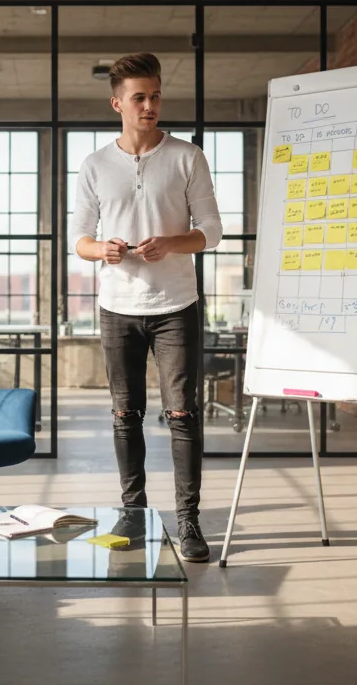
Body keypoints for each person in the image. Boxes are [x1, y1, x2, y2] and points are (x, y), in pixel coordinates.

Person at [71, 52, 223, 563]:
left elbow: (213, 232)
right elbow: (80, 240)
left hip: (177, 305)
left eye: (156, 96)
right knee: (124, 415)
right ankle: (133, 517)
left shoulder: (188, 156)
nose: (150, 105)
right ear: (117, 102)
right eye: (140, 97)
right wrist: (103, 251)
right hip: (117, 307)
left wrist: (173, 243)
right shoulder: (94, 165)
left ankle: (189, 522)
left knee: (183, 414)